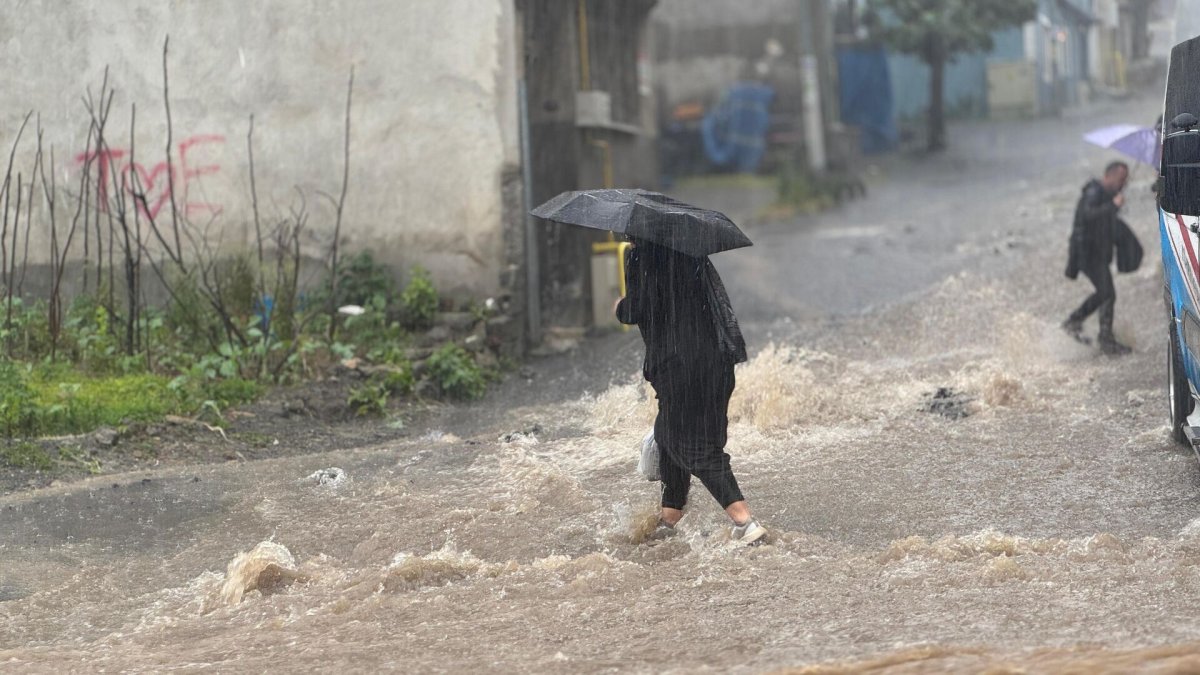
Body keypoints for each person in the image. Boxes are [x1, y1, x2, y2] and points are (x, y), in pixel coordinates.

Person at [615, 238, 766, 545]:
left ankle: (745, 521)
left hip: (679, 367)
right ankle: (670, 517)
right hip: (717, 363)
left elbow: (637, 309)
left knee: (691, 445)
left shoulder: (640, 256)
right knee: (668, 434)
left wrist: (619, 306)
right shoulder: (691, 251)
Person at [1064, 161, 1133, 355]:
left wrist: (1115, 204)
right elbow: (1089, 216)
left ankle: (1095, 333)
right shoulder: (1093, 192)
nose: (1123, 183)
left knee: (1107, 292)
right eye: (1121, 179)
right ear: (1109, 176)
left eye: (1125, 180)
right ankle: (1091, 332)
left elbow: (1105, 222)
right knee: (1106, 292)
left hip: (1095, 252)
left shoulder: (1106, 194)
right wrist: (1113, 205)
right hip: (1085, 252)